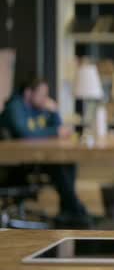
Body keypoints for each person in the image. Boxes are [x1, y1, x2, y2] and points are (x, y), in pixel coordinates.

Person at [0, 77, 91, 228]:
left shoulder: (38, 108)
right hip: (12, 166)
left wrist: (54, 112)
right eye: (41, 94)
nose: (45, 99)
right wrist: (55, 131)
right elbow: (25, 134)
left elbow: (60, 130)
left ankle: (70, 211)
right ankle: (76, 212)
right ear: (29, 93)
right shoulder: (15, 107)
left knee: (66, 160)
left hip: (30, 160)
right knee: (59, 164)